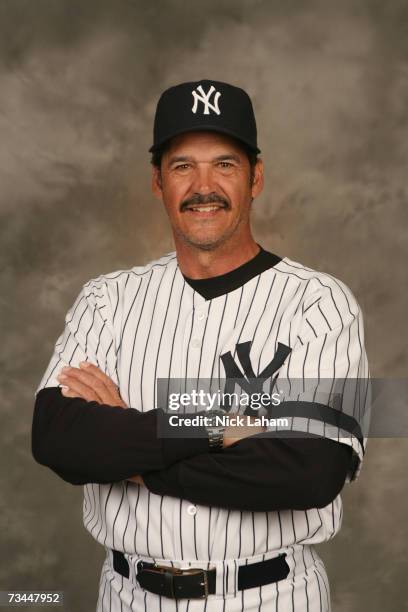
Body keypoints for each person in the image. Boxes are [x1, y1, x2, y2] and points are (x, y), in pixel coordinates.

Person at [32, 79, 370, 611]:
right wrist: (224, 424)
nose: (203, 185)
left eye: (225, 164)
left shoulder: (321, 304)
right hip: (127, 597)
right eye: (183, 165)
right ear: (158, 181)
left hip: (271, 597)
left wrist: (130, 449)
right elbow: (57, 437)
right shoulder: (107, 300)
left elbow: (310, 471)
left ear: (256, 177)